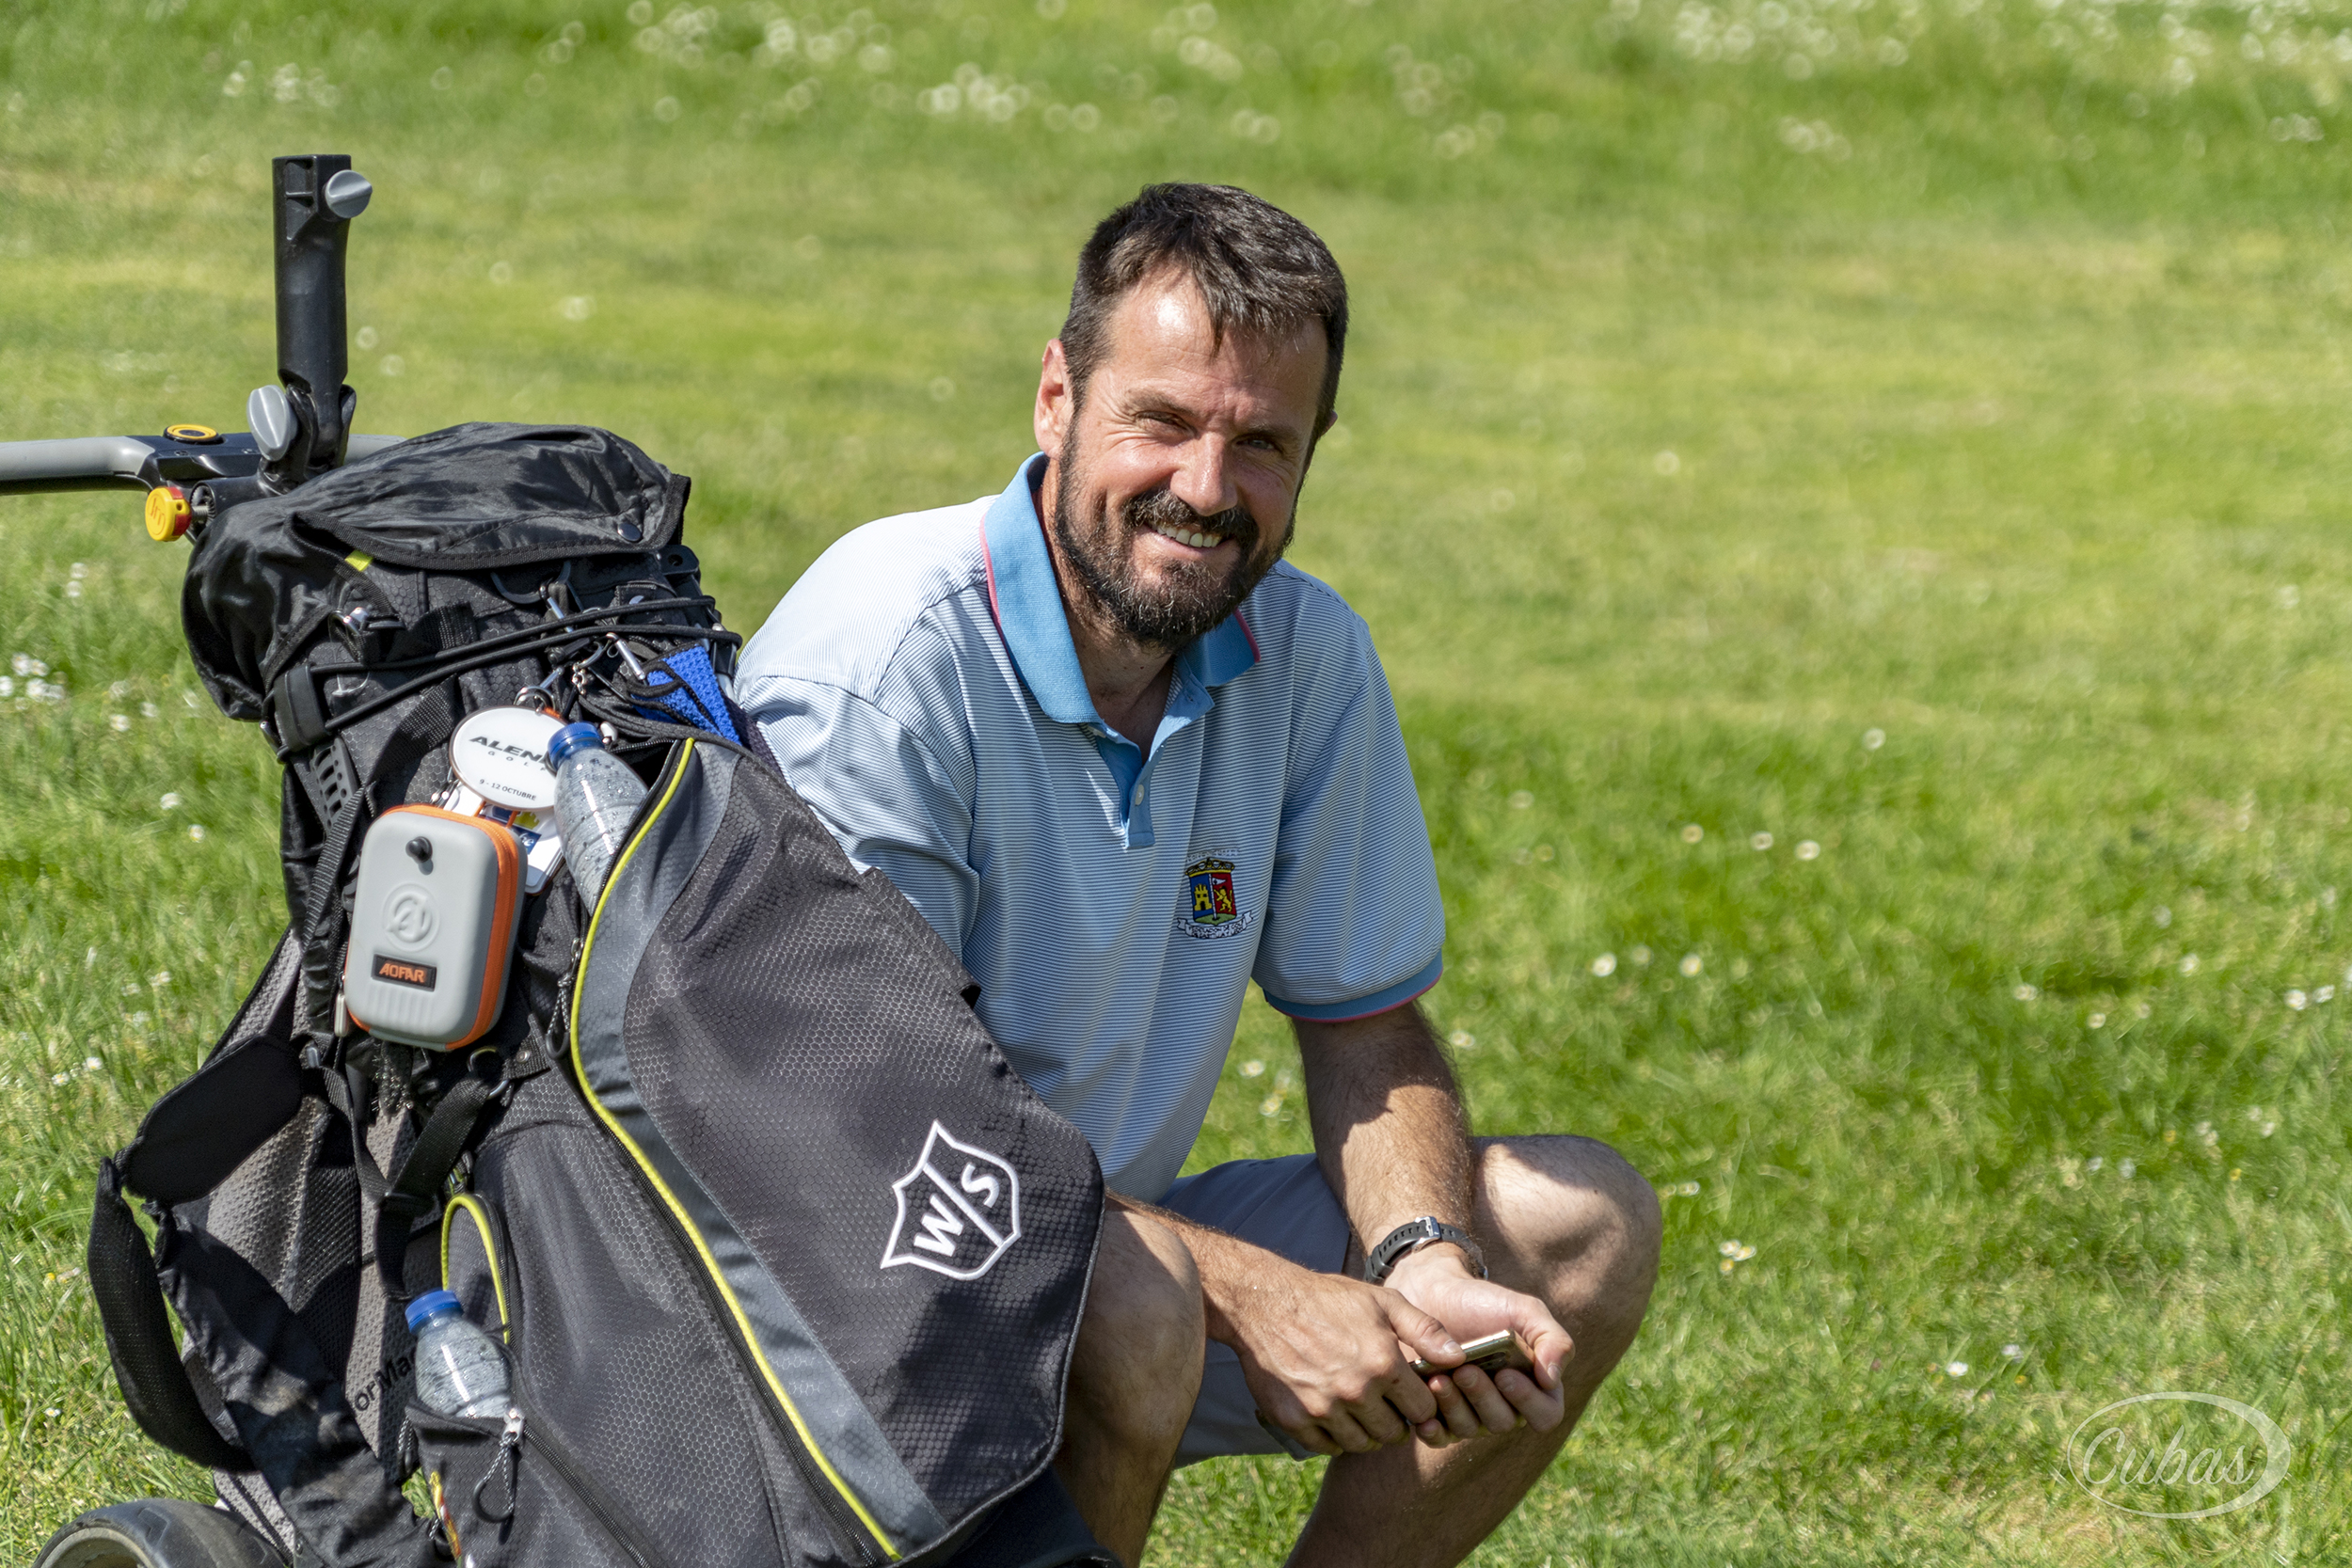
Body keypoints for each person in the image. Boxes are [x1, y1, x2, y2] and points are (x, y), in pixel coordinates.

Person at [737, 183, 1661, 1568]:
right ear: (1057, 399)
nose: (1208, 490)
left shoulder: (1305, 657)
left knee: (1577, 1229)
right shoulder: (882, 660)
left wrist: (1423, 1259)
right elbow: (872, 1125)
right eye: (1161, 422)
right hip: (832, 1266)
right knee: (1144, 1308)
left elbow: (1368, 1023)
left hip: (1093, 1230)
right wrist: (1247, 1295)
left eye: (1263, 443)